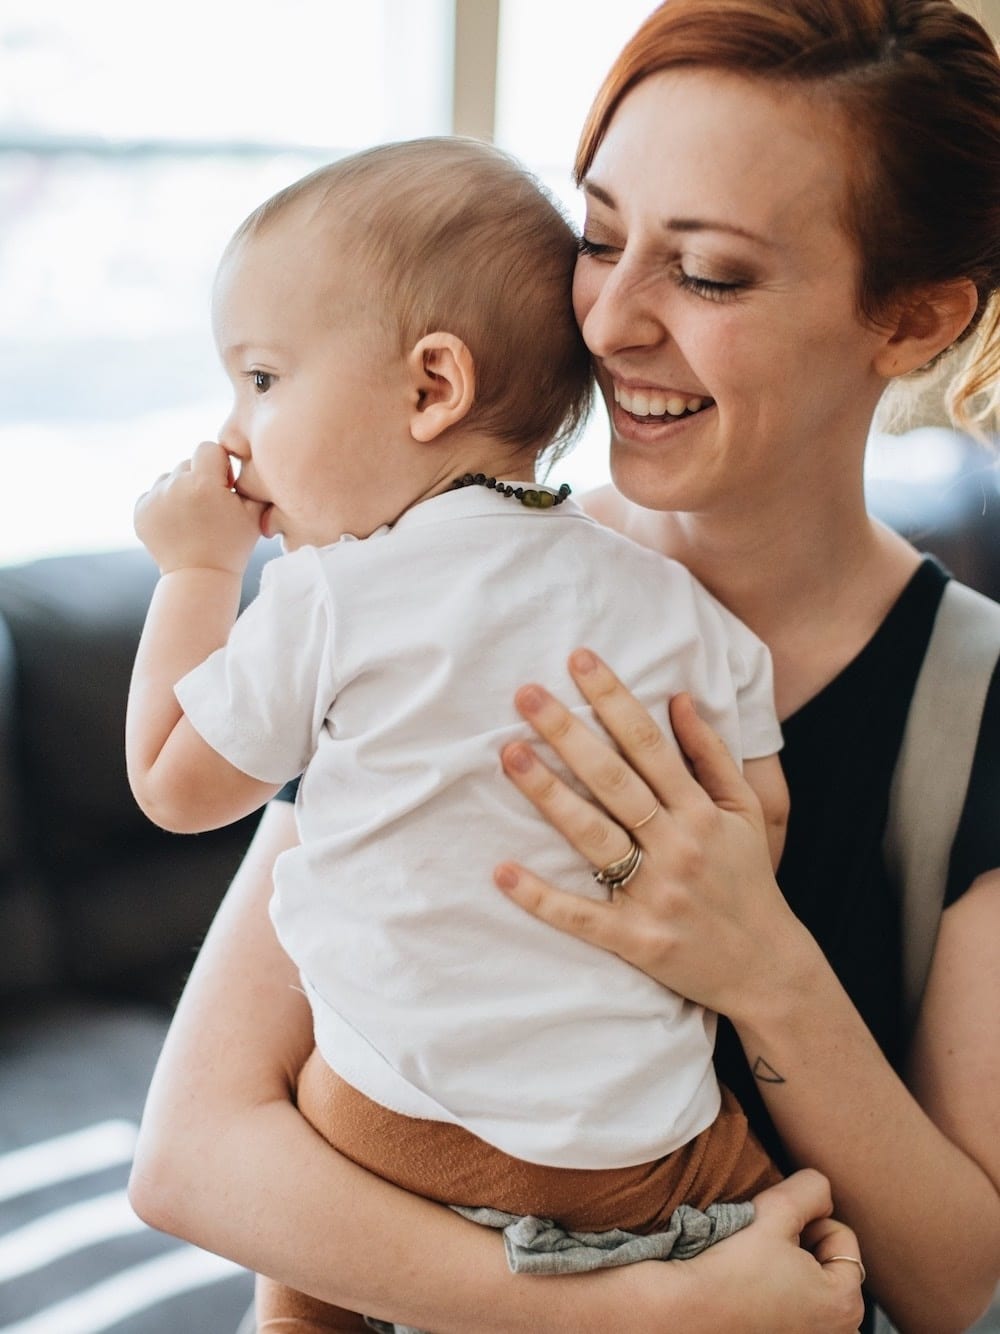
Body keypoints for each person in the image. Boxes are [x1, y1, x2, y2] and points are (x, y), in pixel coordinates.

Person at [127, 0, 1000, 1330]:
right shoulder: (430, 593)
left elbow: (955, 1281)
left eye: (708, 272)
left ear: (915, 318)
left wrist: (760, 964)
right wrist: (635, 1311)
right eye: (596, 239)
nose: (610, 321)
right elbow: (192, 1154)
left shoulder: (971, 705)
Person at [126, 136, 789, 1334]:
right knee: (785, 1227)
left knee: (306, 1267)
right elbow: (758, 821)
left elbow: (174, 785)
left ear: (432, 386)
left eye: (262, 380)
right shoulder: (675, 602)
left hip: (383, 1122)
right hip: (639, 1148)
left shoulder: (331, 599)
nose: (235, 433)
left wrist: (196, 565)